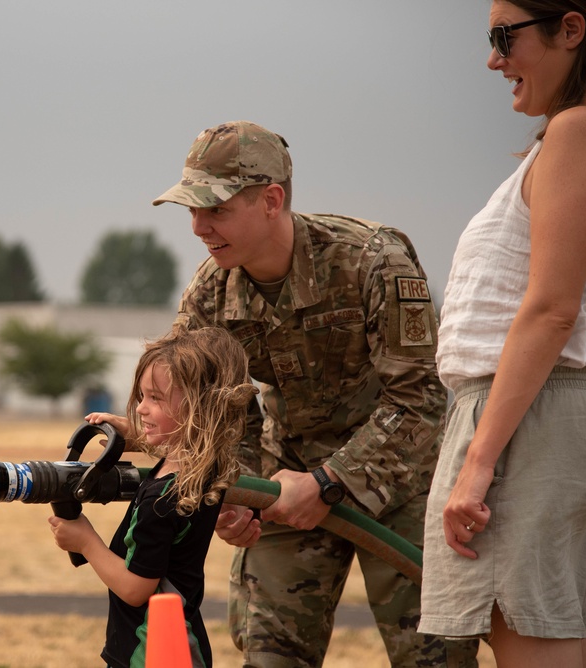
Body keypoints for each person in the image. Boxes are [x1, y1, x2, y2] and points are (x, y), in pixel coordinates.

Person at [153, 120, 480, 667]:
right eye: (192, 210)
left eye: (215, 209)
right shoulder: (210, 294)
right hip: (285, 481)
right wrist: (237, 491)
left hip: (403, 484)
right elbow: (222, 413)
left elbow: (419, 402)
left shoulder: (374, 260)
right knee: (269, 655)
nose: (198, 227)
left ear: (271, 200)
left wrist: (329, 482)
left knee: (435, 658)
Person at [419, 2, 586, 667]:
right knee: (566, 639)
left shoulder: (581, 132)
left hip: (530, 420)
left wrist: (479, 462)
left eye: (504, 37)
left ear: (571, 30)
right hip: (551, 414)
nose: (492, 58)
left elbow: (550, 310)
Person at [49, 327, 258, 668]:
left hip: (149, 652)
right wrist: (136, 436)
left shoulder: (161, 500)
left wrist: (86, 541)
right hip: (184, 644)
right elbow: (192, 441)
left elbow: (136, 588)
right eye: (142, 396)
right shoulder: (204, 471)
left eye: (156, 398)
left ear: (199, 406)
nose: (141, 409)